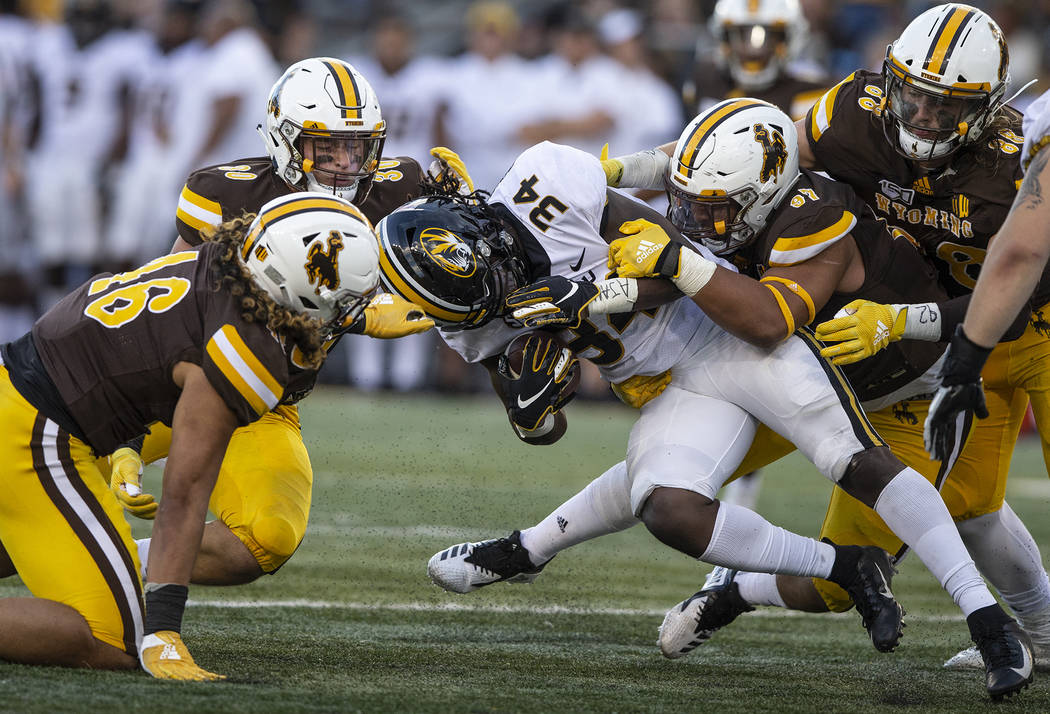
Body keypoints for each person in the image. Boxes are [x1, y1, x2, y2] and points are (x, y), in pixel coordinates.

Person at [380, 137, 1027, 696]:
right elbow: (538, 424)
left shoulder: (546, 181)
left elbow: (677, 255)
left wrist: (595, 292)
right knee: (669, 509)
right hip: (677, 390)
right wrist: (533, 403)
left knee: (851, 457)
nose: (503, 297)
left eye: (499, 278)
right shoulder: (467, 319)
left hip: (732, 338)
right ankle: (846, 567)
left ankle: (984, 616)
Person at [107, 57, 463, 585]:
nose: (345, 162)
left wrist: (466, 218)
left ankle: (112, 564)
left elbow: (468, 264)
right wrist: (127, 431)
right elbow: (159, 312)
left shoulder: (396, 189)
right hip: (181, 387)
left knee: (265, 537)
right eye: (328, 146)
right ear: (285, 138)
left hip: (267, 402)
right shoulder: (225, 195)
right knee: (52, 474)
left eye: (357, 145)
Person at [0, 190, 379, 679]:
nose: (350, 315)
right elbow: (184, 491)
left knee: (46, 535)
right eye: (346, 302)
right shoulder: (242, 347)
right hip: (32, 431)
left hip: (21, 389)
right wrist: (163, 630)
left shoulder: (225, 253)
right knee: (110, 638)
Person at [778, 3, 1050, 671]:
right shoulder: (856, 113)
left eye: (946, 107)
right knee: (967, 505)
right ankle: (1045, 637)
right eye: (915, 96)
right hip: (967, 340)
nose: (924, 117)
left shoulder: (1018, 157)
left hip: (1034, 323)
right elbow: (765, 154)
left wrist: (901, 321)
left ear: (985, 108)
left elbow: (1018, 275)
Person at [925, 89, 1050, 459]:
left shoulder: (1016, 148)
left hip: (1026, 311)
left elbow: (1021, 251)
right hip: (993, 320)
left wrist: (964, 362)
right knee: (966, 506)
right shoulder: (857, 121)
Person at [683, 0, 826, 121]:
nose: (753, 49)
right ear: (724, 38)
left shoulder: (808, 93)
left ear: (787, 40)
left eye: (769, 35)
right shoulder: (705, 82)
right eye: (740, 34)